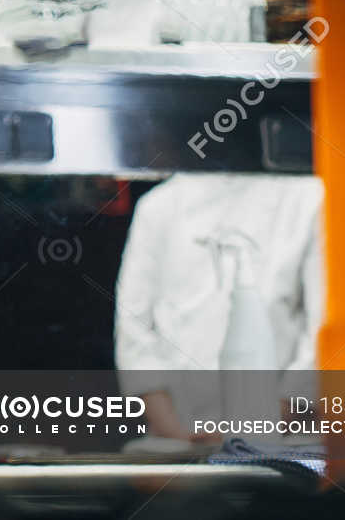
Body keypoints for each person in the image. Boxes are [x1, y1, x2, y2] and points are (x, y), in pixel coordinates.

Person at [114, 173, 325, 443]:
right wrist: (174, 431)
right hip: (176, 443)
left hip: (285, 441)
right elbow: (134, 329)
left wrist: (269, 424)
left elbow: (323, 326)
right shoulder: (158, 206)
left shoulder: (308, 198)